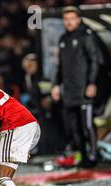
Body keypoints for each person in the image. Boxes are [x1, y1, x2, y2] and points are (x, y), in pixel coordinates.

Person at [51, 6, 100, 168]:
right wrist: (56, 85)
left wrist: (92, 83)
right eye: (66, 19)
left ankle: (94, 156)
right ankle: (83, 156)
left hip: (84, 88)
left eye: (72, 19)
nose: (69, 22)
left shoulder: (86, 36)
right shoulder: (63, 39)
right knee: (74, 127)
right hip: (69, 91)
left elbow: (95, 60)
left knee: (87, 125)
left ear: (78, 19)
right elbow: (60, 66)